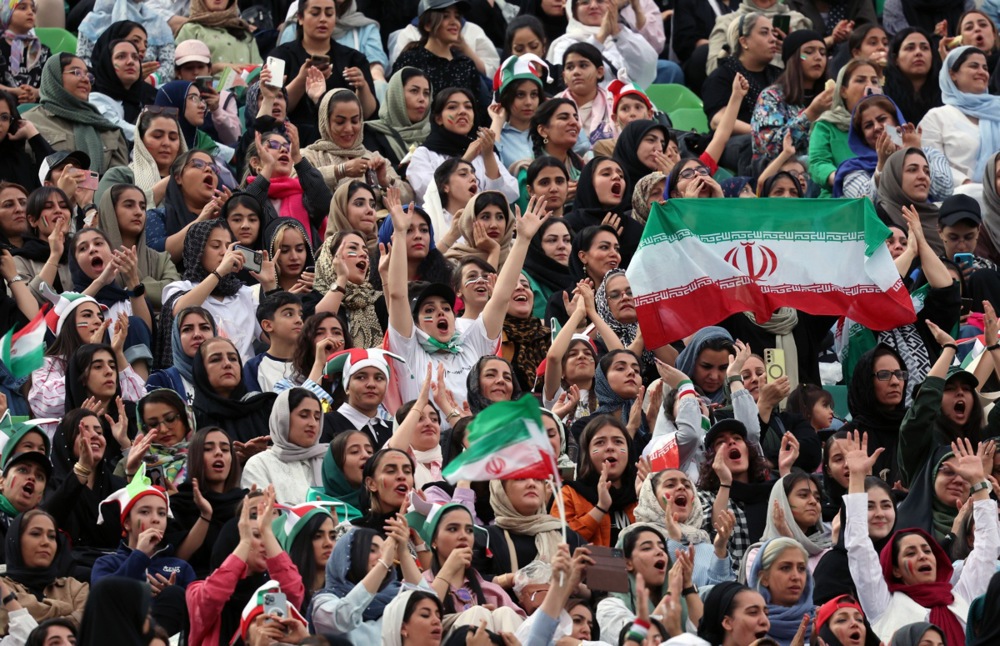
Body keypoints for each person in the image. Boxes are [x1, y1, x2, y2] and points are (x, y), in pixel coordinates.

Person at [844, 432, 1000, 644]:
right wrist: (856, 479)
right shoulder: (884, 605)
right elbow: (859, 548)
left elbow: (987, 548)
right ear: (896, 569)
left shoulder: (961, 597)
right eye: (910, 552)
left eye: (927, 551)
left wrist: (978, 483)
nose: (922, 556)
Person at [185, 488, 305, 646]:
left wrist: (267, 532)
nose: (265, 544)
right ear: (232, 540)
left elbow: (294, 594)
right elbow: (211, 597)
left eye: (268, 538)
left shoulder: (270, 594)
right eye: (256, 535)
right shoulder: (196, 590)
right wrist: (245, 543)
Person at [91, 466, 194, 635]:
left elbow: (198, 616)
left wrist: (172, 598)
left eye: (161, 514)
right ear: (127, 523)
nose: (155, 519)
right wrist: (139, 556)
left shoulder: (181, 567)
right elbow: (103, 602)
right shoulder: (106, 563)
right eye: (145, 512)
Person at [162, 218, 274, 362]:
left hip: (244, 376)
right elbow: (180, 312)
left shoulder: (244, 293)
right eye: (216, 246)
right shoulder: (181, 288)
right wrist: (219, 273)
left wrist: (270, 285)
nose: (224, 252)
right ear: (198, 251)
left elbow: (274, 339)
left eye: (229, 247)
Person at [268, 0, 378, 145]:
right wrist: (302, 79)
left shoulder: (354, 58)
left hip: (344, 139)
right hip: (291, 138)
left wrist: (362, 86)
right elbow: (268, 106)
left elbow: (369, 113)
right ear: (300, 18)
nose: (323, 19)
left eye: (329, 13)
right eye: (315, 13)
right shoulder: (278, 56)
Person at [311, 521, 430, 640]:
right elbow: (343, 619)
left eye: (385, 551)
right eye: (372, 550)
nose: (383, 556)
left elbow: (428, 603)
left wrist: (403, 551)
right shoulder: (324, 601)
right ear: (351, 556)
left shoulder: (394, 599)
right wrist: (382, 564)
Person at [406, 87, 519, 208]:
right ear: (438, 119)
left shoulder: (483, 151)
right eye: (452, 107)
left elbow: (510, 194)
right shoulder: (424, 154)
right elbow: (430, 193)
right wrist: (465, 160)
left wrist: (488, 156)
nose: (462, 111)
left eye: (468, 107)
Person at [301, 88, 410, 209]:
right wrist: (340, 171)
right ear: (325, 122)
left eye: (354, 121)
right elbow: (298, 182)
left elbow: (409, 200)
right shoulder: (309, 156)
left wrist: (384, 181)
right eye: (340, 122)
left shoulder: (375, 159)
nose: (348, 128)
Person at [834, 94, 953, 202]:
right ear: (863, 137)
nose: (876, 127)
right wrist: (882, 165)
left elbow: (945, 192)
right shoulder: (852, 169)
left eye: (882, 119)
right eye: (868, 125)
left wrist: (916, 154)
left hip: (926, 222)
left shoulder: (930, 155)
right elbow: (864, 203)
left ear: (897, 122)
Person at [22, 56, 129, 174]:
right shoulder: (28, 122)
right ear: (54, 76)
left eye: (89, 76)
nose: (86, 80)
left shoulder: (108, 129)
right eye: (76, 72)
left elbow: (118, 182)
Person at [167, 427, 245, 577]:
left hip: (245, 586)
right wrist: (205, 515)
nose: (218, 453)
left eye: (225, 449)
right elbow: (177, 561)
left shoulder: (245, 502)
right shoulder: (179, 504)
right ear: (195, 457)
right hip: (197, 586)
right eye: (208, 449)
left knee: (278, 599)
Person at [920, 46, 1000, 188]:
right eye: (974, 66)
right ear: (952, 74)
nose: (982, 72)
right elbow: (929, 163)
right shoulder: (936, 117)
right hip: (959, 199)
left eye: (985, 68)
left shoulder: (997, 111)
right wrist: (967, 185)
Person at [752, 30, 834, 166]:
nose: (818, 57)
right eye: (809, 52)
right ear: (793, 58)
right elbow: (768, 148)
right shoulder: (771, 97)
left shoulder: (831, 97)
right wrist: (809, 115)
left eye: (823, 53)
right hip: (783, 176)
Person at [0, 509, 87, 637]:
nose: (46, 542)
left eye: (52, 536)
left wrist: (23, 616)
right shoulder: (3, 587)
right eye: (35, 534)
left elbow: (87, 622)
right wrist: (66, 609)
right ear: (16, 540)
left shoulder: (75, 588)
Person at [809, 57, 882, 197]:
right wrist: (843, 179)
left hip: (887, 199)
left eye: (874, 81)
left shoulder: (889, 124)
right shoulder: (827, 124)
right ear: (843, 91)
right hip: (839, 200)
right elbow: (818, 163)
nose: (869, 86)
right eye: (860, 80)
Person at [547, 0, 658, 90]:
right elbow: (568, 82)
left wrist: (617, 33)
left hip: (625, 109)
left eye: (600, 1)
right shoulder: (564, 44)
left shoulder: (625, 36)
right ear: (573, 11)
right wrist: (600, 38)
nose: (594, 6)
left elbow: (648, 70)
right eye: (585, 2)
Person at [241, 388, 324, 505]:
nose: (313, 423)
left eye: (317, 418)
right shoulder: (260, 463)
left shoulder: (328, 461)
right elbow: (259, 513)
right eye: (304, 415)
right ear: (282, 418)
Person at [190, 337, 277, 448]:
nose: (227, 364)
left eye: (233, 358)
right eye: (216, 359)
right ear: (200, 370)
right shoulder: (193, 419)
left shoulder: (266, 406)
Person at [746, 537, 815, 646]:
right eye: (786, 568)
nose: (796, 577)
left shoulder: (821, 621)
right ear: (764, 578)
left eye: (801, 569)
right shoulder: (748, 627)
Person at [87, 34, 155, 143]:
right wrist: (156, 135)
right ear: (107, 64)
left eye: (135, 57)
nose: (130, 62)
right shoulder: (95, 99)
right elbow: (116, 127)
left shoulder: (147, 96)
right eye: (121, 56)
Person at [363, 67, 432, 172]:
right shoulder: (372, 132)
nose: (422, 99)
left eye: (426, 93)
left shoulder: (434, 134)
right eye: (414, 91)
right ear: (396, 95)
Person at [146, 306, 216, 405]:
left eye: (205, 328)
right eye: (187, 329)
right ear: (176, 338)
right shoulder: (160, 381)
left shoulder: (227, 376)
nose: (197, 334)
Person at [174, 0, 261, 69]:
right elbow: (181, 71)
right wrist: (216, 68)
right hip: (206, 90)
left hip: (245, 90)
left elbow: (258, 70)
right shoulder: (191, 29)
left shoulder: (243, 30)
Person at [884, 28, 942, 125]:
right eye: (910, 48)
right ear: (895, 59)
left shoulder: (946, 91)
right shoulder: (884, 92)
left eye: (925, 48)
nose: (918, 53)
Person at [0, 0, 48, 103]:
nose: (30, 12)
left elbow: (53, 84)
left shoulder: (43, 51)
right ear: (6, 13)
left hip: (36, 110)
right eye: (22, 8)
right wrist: (13, 91)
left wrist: (36, 93)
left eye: (33, 9)